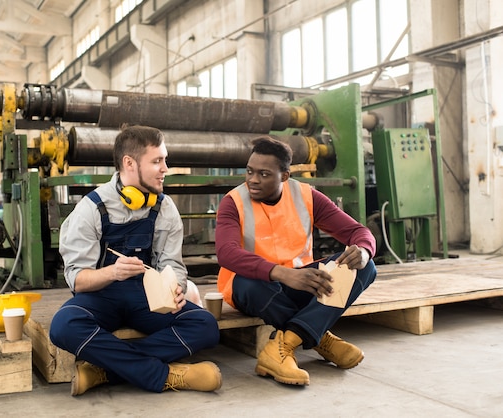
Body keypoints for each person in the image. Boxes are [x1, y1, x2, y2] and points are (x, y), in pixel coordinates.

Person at [50, 125, 221, 396]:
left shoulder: (164, 208)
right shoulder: (91, 209)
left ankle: (104, 370)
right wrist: (112, 273)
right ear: (129, 163)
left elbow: (172, 264)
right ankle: (168, 374)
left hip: (148, 299)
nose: (165, 168)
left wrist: (175, 287)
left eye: (165, 159)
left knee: (206, 326)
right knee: (63, 326)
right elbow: (78, 280)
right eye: (157, 161)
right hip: (101, 297)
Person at [215, 135, 377, 386]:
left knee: (364, 268)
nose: (253, 180)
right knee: (249, 284)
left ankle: (284, 345)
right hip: (256, 286)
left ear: (285, 176)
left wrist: (365, 251)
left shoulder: (307, 196)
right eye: (249, 171)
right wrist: (281, 273)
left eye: (264, 174)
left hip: (301, 282)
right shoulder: (232, 203)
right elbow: (226, 253)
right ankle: (321, 339)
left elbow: (359, 232)